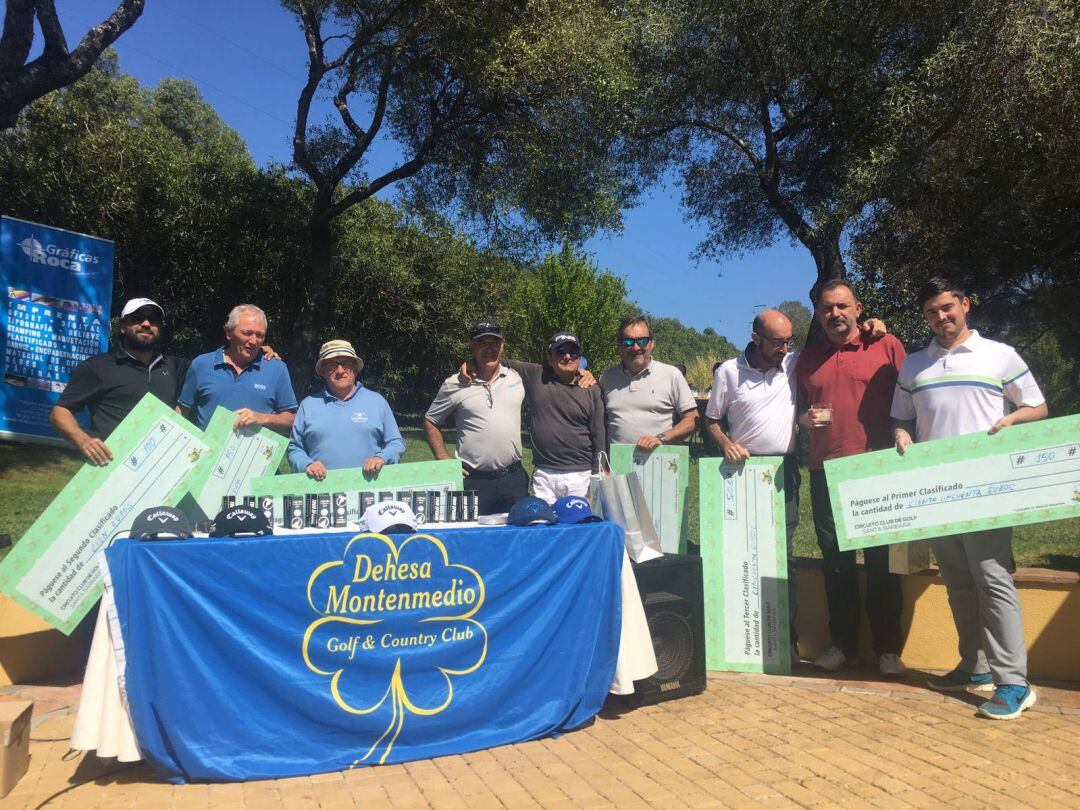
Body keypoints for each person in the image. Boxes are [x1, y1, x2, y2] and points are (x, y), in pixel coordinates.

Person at [892, 278, 1046, 720]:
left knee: (992, 578)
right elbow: (901, 418)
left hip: (988, 487)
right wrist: (902, 432)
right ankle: (975, 666)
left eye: (947, 308)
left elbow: (1038, 407)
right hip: (938, 492)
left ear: (965, 305)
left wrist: (1014, 418)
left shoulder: (1000, 354)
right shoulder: (914, 365)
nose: (941, 318)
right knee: (957, 581)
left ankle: (1014, 681)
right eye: (931, 312)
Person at [705, 309, 888, 657]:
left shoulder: (793, 362)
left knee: (781, 554)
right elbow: (711, 419)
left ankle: (782, 643)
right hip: (740, 471)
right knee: (736, 553)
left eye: (789, 340)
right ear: (756, 338)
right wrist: (726, 443)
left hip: (783, 471)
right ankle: (734, 641)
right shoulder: (729, 371)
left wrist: (870, 327)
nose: (785, 347)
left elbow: (838, 343)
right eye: (777, 341)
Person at [795, 279, 907, 676]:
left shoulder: (886, 345)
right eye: (827, 308)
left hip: (876, 467)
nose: (835, 314)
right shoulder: (807, 358)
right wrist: (803, 420)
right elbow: (797, 412)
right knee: (836, 562)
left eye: (842, 306)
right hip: (827, 470)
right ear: (818, 314)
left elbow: (909, 402)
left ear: (858, 309)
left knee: (882, 561)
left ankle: (887, 649)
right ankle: (842, 645)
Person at [51, 298, 188, 466]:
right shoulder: (97, 367)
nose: (146, 324)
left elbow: (212, 381)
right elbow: (61, 411)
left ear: (160, 328)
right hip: (110, 468)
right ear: (123, 327)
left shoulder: (175, 367)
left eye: (154, 320)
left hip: (160, 470)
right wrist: (83, 440)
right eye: (137, 318)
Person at [424, 321, 527, 514]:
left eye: (494, 343)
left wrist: (582, 371)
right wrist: (442, 457)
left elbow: (553, 372)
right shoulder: (455, 383)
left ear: (502, 346)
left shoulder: (516, 377)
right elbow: (431, 420)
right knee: (474, 538)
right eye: (482, 343)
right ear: (471, 347)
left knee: (518, 538)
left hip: (513, 479)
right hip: (473, 480)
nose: (489, 349)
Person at [287, 339, 405, 481]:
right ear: (323, 371)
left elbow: (396, 442)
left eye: (346, 364)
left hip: (371, 489)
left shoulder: (377, 401)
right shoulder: (308, 405)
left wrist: (381, 457)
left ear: (355, 369)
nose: (340, 371)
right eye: (332, 365)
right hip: (321, 490)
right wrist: (306, 465)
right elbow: (294, 448)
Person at [178, 304, 297, 434]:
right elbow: (181, 412)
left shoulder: (276, 369)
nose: (253, 341)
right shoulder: (201, 365)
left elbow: (291, 420)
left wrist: (262, 418)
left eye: (259, 335)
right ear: (228, 332)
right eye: (247, 333)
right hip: (210, 452)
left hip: (253, 453)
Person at [599, 315, 699, 451]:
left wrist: (661, 438)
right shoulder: (606, 378)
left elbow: (692, 420)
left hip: (658, 466)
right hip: (617, 469)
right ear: (619, 345)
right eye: (628, 342)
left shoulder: (671, 375)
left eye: (642, 341)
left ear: (652, 343)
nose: (635, 347)